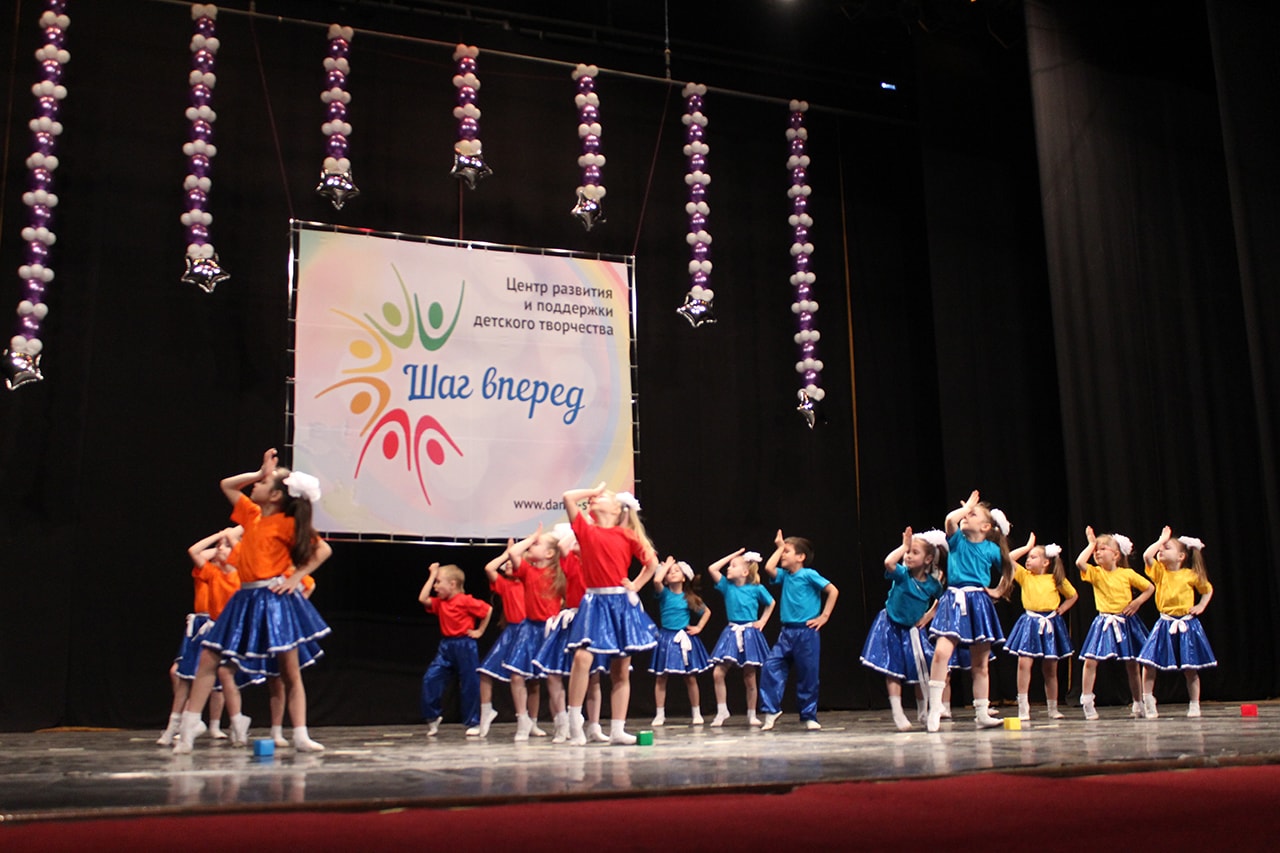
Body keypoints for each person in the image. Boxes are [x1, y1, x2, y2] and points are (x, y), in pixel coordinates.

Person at [174, 449, 332, 754]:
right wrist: (260, 473)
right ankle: (188, 732)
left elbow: (322, 550)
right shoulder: (251, 515)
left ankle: (300, 734)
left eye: (263, 483)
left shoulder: (286, 523)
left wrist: (296, 578)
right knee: (209, 658)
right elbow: (227, 485)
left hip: (272, 599)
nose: (256, 486)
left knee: (289, 670)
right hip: (243, 597)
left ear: (275, 496)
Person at [561, 483, 661, 746]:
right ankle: (575, 725)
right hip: (595, 601)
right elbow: (568, 497)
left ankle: (618, 729)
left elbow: (651, 562)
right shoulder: (586, 530)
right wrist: (594, 490)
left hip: (620, 603)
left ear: (618, 509)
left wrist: (636, 585)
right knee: (582, 657)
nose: (595, 498)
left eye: (603, 497)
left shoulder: (626, 535)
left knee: (621, 668)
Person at [925, 490, 1013, 733]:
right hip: (954, 599)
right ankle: (935, 708)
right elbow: (949, 520)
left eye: (972, 515)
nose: (965, 517)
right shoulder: (957, 541)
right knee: (941, 653)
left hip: (978, 602)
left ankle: (982, 712)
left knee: (980, 664)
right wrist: (967, 509)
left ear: (986, 527)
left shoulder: (991, 549)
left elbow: (1009, 569)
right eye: (965, 514)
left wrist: (998, 590)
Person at [156, 526, 244, 746]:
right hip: (208, 629)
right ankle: (174, 727)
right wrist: (221, 537)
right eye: (218, 547)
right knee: (185, 677)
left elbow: (245, 555)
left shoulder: (242, 575)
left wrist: (233, 538)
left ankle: (235, 725)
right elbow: (195, 551)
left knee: (226, 678)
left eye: (225, 547)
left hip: (229, 631)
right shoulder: (212, 573)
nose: (219, 549)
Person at [860, 527, 945, 731]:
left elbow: (943, 599)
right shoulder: (902, 575)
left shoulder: (932, 584)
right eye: (908, 552)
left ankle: (923, 711)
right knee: (893, 669)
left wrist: (929, 615)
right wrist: (904, 546)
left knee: (920, 670)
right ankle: (897, 713)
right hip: (891, 625)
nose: (908, 556)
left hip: (913, 630)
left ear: (928, 559)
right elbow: (889, 562)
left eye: (914, 552)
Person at [532, 523, 609, 743]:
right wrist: (579, 528)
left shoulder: (595, 564)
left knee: (594, 677)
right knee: (554, 674)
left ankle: (594, 726)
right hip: (572, 620)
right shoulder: (570, 561)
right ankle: (562, 724)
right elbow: (563, 547)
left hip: (591, 620)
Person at [759, 529, 839, 731]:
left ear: (801, 557)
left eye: (787, 551)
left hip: (806, 632)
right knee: (771, 665)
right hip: (787, 632)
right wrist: (779, 547)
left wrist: (824, 616)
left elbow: (832, 590)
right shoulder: (785, 576)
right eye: (782, 552)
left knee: (808, 674)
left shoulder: (808, 574)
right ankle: (771, 710)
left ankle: (808, 714)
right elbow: (768, 567)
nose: (782, 555)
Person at [1074, 527, 1154, 720]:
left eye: (1102, 549)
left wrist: (1137, 602)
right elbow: (1079, 562)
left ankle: (1138, 702)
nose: (1097, 552)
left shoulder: (1127, 574)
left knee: (1132, 664)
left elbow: (1149, 588)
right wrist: (1091, 544)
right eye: (1096, 550)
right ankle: (1087, 701)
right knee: (1091, 660)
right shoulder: (1096, 573)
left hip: (1125, 621)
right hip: (1104, 620)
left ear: (1116, 555)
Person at [1136, 527, 1216, 718]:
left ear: (1181, 556)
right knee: (1149, 662)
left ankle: (1194, 704)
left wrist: (1201, 606)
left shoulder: (1190, 575)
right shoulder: (1159, 572)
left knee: (1190, 667)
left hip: (1186, 624)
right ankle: (1148, 700)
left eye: (1167, 548)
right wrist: (1161, 540)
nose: (1161, 550)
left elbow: (1207, 589)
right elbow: (1147, 556)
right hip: (1165, 623)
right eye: (1161, 548)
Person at [1005, 533, 1078, 721]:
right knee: (1024, 663)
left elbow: (1072, 595)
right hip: (1030, 622)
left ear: (1046, 562)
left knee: (1050, 668)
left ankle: (1052, 708)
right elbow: (1009, 558)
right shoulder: (1025, 576)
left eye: (1033, 557)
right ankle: (1023, 706)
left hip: (1050, 623)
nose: (1028, 560)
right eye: (1028, 557)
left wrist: (1063, 608)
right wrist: (1027, 547)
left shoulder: (1055, 579)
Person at [418, 562, 493, 736]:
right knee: (431, 678)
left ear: (452, 584)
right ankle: (432, 716)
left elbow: (487, 610)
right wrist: (432, 575)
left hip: (464, 644)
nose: (435, 587)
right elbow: (422, 598)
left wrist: (480, 631)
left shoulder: (465, 600)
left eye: (438, 582)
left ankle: (474, 721)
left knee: (469, 682)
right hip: (446, 646)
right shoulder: (440, 603)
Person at [507, 527, 566, 740]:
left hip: (550, 630)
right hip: (529, 629)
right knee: (517, 675)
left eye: (536, 544)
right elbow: (513, 553)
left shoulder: (558, 574)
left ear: (549, 553)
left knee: (553, 679)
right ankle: (523, 721)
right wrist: (532, 538)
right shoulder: (527, 570)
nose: (531, 546)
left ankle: (562, 724)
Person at [706, 548, 775, 727]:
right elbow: (712, 568)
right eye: (729, 566)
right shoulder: (726, 586)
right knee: (718, 672)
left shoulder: (756, 588)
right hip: (732, 631)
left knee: (750, 676)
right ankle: (722, 710)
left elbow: (771, 602)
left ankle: (752, 714)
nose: (728, 568)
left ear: (745, 572)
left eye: (733, 566)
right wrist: (734, 555)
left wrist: (763, 621)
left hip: (749, 632)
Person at [472, 541, 528, 738]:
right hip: (511, 632)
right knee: (485, 671)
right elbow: (489, 568)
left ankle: (527, 720)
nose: (509, 564)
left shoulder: (528, 582)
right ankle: (486, 711)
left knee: (525, 679)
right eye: (508, 563)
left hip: (527, 631)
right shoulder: (505, 584)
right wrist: (506, 554)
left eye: (513, 562)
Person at [649, 557, 712, 726]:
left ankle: (696, 712)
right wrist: (667, 565)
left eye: (676, 570)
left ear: (684, 577)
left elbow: (707, 612)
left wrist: (699, 627)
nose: (673, 573)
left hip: (683, 637)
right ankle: (660, 714)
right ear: (666, 579)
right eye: (669, 572)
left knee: (690, 677)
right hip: (666, 638)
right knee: (661, 677)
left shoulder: (688, 597)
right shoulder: (664, 593)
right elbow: (656, 580)